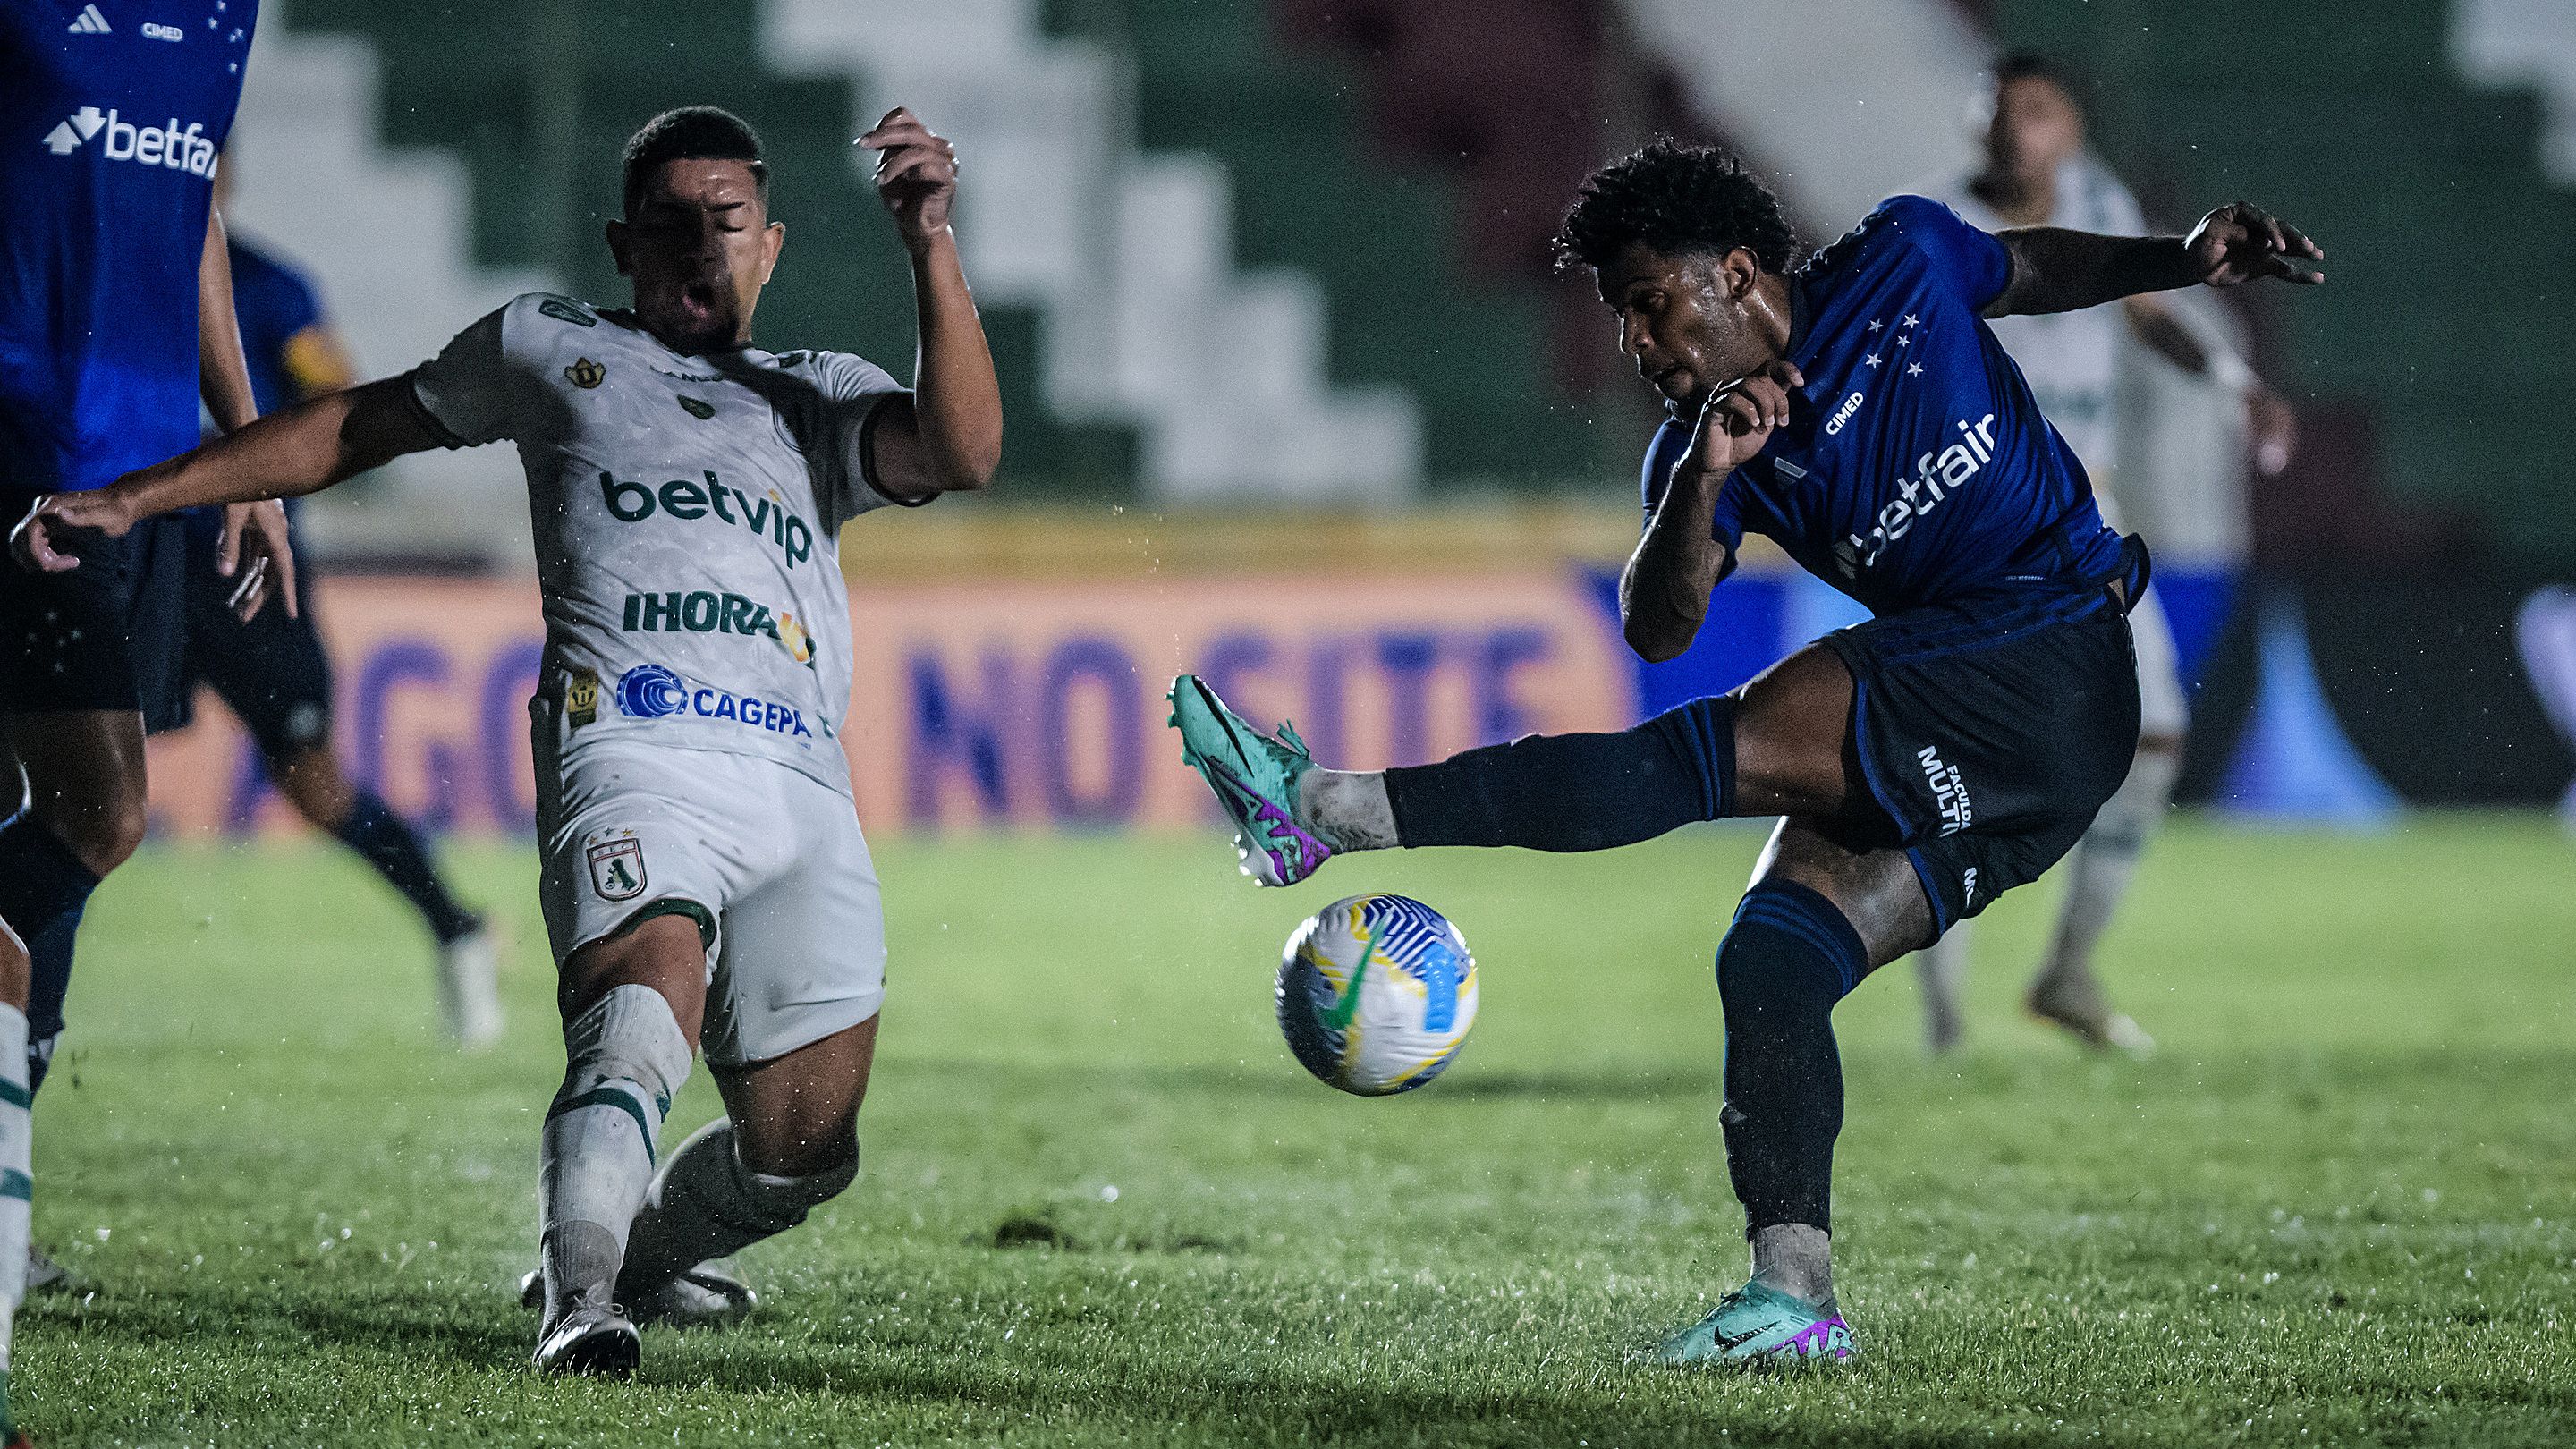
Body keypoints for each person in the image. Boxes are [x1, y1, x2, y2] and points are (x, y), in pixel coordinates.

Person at [1168, 141, 2320, 1366]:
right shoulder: (1706, 450)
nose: (1637, 342)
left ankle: (1329, 811)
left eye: (1650, 304)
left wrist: (2181, 261)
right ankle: (1793, 1300)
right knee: (1773, 962)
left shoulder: (1906, 257)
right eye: (1621, 319)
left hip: (2046, 653)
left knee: (1700, 758)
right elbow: (1656, 625)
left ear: (1732, 275)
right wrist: (1708, 486)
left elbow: (2026, 265)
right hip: (2020, 761)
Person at [15, 103, 1003, 1377]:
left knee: (805, 1149)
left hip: (799, 774)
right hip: (630, 739)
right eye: (671, 223)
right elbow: (354, 425)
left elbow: (964, 451)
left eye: (729, 222)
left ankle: (627, 1263)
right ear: (620, 244)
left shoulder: (818, 394)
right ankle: (579, 1306)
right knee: (638, 1009)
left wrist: (930, 242)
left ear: (772, 247)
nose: (702, 247)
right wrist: (148, 492)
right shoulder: (552, 347)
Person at [1, 2, 289, 1431]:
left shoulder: (225, 15)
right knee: (91, 815)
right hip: (15, 451)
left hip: (127, 472)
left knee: (60, 835)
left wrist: (242, 450)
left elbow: (194, 221)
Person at [1902, 52, 2300, 1054]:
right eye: (1996, 109)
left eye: (2033, 111)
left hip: (2086, 530)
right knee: (1956, 765)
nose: (2010, 127)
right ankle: (1945, 1010)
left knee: (2153, 743)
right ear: (1972, 125)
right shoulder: (1934, 229)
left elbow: (2149, 311)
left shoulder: (2094, 202)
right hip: (1977, 535)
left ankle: (2069, 971)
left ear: (2069, 129)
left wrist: (2231, 377)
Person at [171, 160, 502, 1048]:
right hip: (131, 561)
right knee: (76, 765)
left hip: (245, 573)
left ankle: (454, 925)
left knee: (312, 783)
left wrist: (260, 465)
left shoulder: (273, 287)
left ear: (226, 177)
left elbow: (335, 402)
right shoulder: (107, 266)